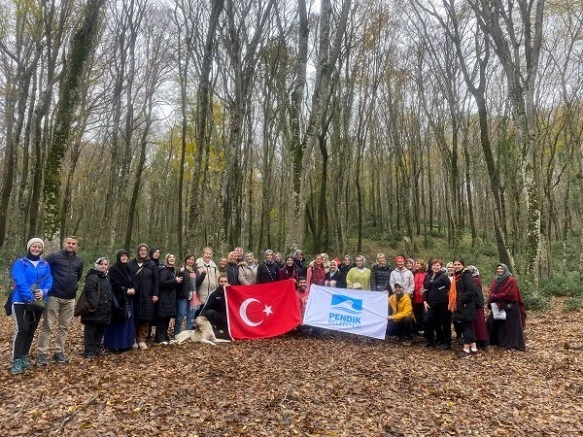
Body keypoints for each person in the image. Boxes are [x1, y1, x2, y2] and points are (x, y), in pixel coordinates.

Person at [37, 236, 84, 366]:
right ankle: (42, 353)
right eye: (68, 242)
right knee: (47, 325)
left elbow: (78, 276)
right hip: (53, 296)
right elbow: (44, 271)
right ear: (64, 243)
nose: (71, 245)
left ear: (76, 246)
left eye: (73, 243)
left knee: (64, 327)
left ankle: (59, 352)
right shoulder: (54, 257)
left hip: (70, 298)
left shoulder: (79, 261)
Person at [9, 238, 53, 374]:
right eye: (34, 246)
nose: (36, 249)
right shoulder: (20, 263)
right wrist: (29, 296)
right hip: (21, 301)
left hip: (38, 302)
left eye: (39, 247)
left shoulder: (45, 264)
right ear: (29, 247)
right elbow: (20, 280)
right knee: (22, 329)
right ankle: (16, 360)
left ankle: (24, 356)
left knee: (31, 330)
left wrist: (44, 291)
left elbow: (49, 279)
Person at [487, 263, 526, 351]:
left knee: (509, 325)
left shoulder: (511, 280)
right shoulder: (495, 279)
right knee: (494, 323)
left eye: (501, 269)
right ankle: (496, 341)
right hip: (498, 305)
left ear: (505, 269)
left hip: (510, 306)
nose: (499, 270)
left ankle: (510, 343)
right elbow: (491, 290)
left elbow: (510, 293)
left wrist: (497, 296)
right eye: (498, 269)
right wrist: (492, 296)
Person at [104, 250, 136, 351]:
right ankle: (113, 345)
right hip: (118, 300)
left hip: (129, 299)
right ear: (118, 257)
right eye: (122, 256)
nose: (124, 258)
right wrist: (126, 289)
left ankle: (126, 344)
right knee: (117, 322)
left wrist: (134, 289)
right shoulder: (114, 269)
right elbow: (113, 284)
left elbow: (134, 281)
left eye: (126, 256)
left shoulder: (129, 268)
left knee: (127, 321)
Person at [81, 257, 113, 359]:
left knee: (100, 330)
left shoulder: (107, 277)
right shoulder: (93, 276)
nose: (103, 266)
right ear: (97, 265)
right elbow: (90, 291)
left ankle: (97, 348)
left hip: (105, 308)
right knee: (91, 330)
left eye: (105, 264)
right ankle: (89, 351)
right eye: (101, 264)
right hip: (94, 309)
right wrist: (95, 304)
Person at [129, 244, 159, 350]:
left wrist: (155, 294)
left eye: (145, 250)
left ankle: (141, 339)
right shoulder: (131, 264)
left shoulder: (151, 264)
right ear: (138, 251)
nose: (143, 252)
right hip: (134, 295)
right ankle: (132, 339)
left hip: (147, 295)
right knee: (134, 317)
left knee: (145, 318)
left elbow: (156, 280)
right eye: (141, 250)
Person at [450, 258, 480, 358]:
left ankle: (466, 350)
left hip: (466, 305)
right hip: (462, 305)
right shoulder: (458, 276)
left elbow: (471, 290)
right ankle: (474, 349)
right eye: (455, 264)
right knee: (467, 327)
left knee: (466, 328)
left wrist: (461, 300)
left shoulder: (466, 275)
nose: (456, 266)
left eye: (458, 264)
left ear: (463, 265)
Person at [423, 259, 451, 349]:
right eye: (434, 265)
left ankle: (447, 342)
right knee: (427, 320)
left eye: (438, 265)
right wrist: (424, 301)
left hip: (443, 303)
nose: (435, 267)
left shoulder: (444, 276)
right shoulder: (428, 276)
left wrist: (444, 294)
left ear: (441, 266)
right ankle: (431, 341)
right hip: (432, 304)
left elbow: (450, 289)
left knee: (445, 323)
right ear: (431, 266)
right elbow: (424, 289)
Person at [156, 253, 182, 344]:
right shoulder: (163, 270)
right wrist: (175, 281)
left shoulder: (173, 271)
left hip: (171, 297)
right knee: (162, 318)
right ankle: (160, 338)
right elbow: (162, 283)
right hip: (164, 297)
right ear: (166, 259)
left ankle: (165, 336)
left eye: (173, 257)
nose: (171, 259)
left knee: (167, 318)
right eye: (169, 257)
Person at [176, 254, 206, 335]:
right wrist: (181, 273)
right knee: (181, 314)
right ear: (186, 260)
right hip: (183, 296)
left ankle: (188, 334)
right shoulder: (181, 269)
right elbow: (178, 283)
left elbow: (197, 283)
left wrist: (203, 275)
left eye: (192, 259)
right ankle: (176, 333)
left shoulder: (195, 271)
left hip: (193, 296)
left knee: (191, 316)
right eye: (189, 259)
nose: (191, 261)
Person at [468, 265, 488, 349]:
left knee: (478, 323)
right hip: (474, 304)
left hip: (476, 304)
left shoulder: (475, 280)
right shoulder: (474, 279)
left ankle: (481, 340)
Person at [412, 259, 427, 334]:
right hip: (415, 298)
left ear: (423, 265)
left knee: (424, 315)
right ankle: (417, 330)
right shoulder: (413, 273)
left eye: (419, 263)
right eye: (416, 263)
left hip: (423, 298)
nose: (417, 264)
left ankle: (425, 330)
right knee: (416, 314)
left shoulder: (426, 274)